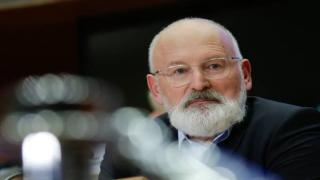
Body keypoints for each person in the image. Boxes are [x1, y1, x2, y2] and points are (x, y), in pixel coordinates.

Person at [99, 17, 320, 180]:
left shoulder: (293, 127)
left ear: (244, 74)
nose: (199, 84)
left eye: (214, 66)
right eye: (179, 71)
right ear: (156, 88)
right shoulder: (131, 145)